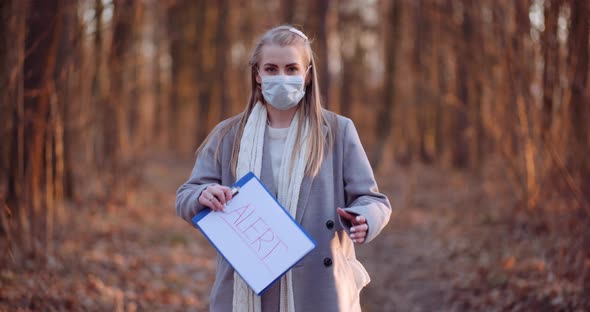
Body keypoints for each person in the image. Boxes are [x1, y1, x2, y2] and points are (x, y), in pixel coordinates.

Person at [176, 25, 391, 312]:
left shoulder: (338, 131)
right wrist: (203, 194)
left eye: (292, 69)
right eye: (271, 68)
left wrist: (364, 217)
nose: (282, 77)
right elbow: (186, 195)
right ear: (257, 74)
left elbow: (373, 200)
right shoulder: (228, 135)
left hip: (319, 290)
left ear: (308, 73)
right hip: (247, 287)